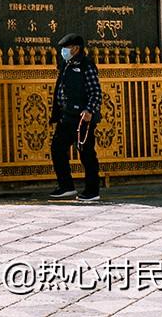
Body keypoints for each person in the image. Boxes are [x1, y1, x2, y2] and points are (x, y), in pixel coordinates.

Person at [49, 33, 102, 202]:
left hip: (82, 118)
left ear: (76, 48)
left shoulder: (86, 65)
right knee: (57, 149)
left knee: (86, 153)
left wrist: (89, 110)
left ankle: (92, 190)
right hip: (66, 116)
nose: (63, 51)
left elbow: (95, 92)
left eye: (67, 48)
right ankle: (66, 186)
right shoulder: (66, 64)